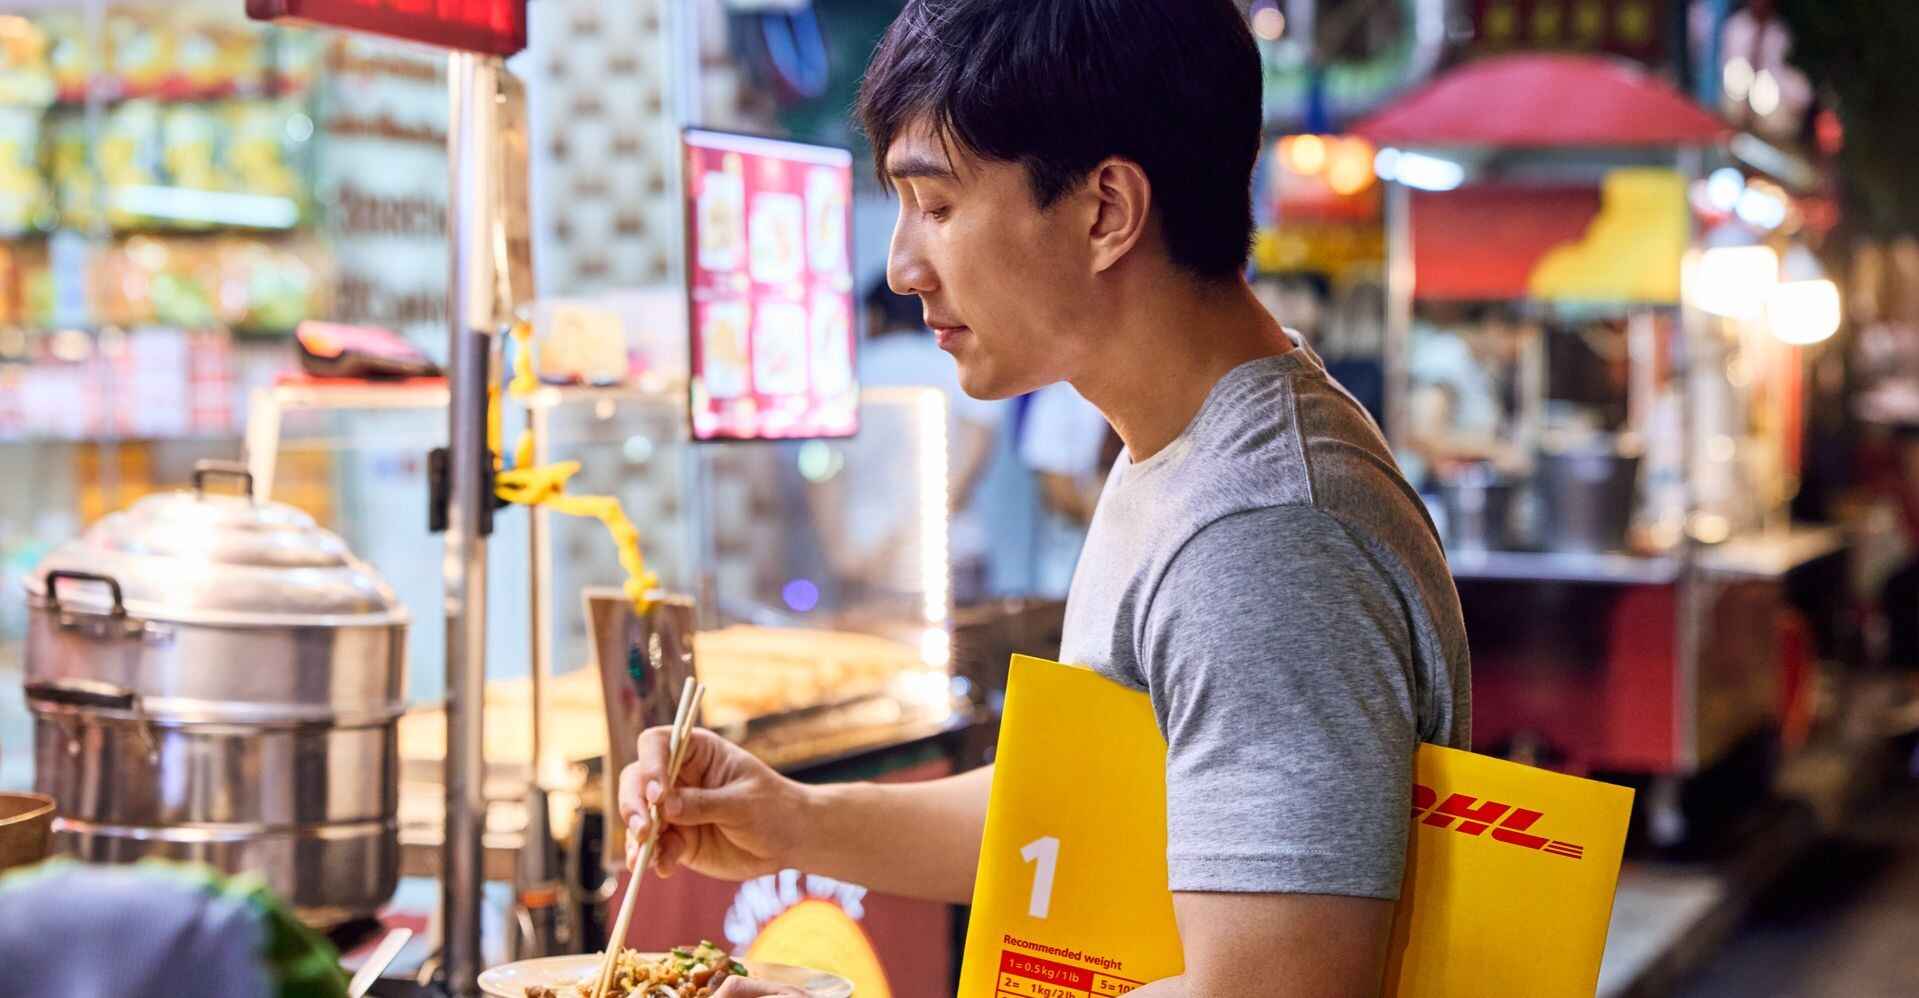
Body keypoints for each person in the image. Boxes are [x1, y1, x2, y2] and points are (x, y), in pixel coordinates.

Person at [621, 2, 1470, 995]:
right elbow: (1078, 824)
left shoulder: (1263, 533)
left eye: (934, 204)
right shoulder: (1173, 453)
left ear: (1105, 209)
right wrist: (788, 821)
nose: (900, 264)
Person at [823, 279, 1008, 604]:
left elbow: (822, 469)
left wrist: (843, 550)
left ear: (874, 318)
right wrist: (914, 527)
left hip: (868, 555)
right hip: (951, 550)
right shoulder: (956, 368)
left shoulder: (848, 376)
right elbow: (975, 454)